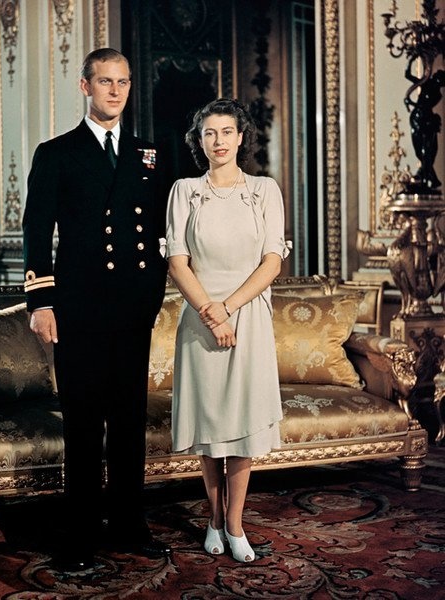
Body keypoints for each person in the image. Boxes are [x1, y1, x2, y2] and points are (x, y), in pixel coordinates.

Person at [22, 48, 170, 570]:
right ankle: (80, 533)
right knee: (84, 425)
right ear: (85, 87)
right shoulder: (57, 152)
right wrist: (41, 300)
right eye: (105, 81)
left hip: (133, 310)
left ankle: (130, 524)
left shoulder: (149, 154)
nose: (115, 91)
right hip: (78, 310)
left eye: (123, 82)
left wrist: (154, 295)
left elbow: (159, 233)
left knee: (130, 422)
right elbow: (36, 231)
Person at [165, 98, 289, 562]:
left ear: (242, 137)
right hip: (199, 318)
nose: (218, 141)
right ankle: (212, 519)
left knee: (241, 427)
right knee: (211, 425)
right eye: (209, 133)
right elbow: (177, 261)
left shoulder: (264, 190)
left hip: (248, 316)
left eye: (226, 132)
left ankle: (234, 525)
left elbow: (272, 260)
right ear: (200, 141)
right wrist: (209, 312)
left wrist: (230, 309)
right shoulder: (184, 191)